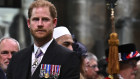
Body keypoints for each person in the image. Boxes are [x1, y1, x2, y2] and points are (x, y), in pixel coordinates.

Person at [6, 0, 80, 79]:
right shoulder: (17, 58)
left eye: (45, 19)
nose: (40, 24)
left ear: (54, 22)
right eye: (35, 19)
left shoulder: (68, 58)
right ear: (28, 23)